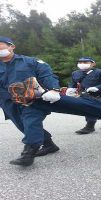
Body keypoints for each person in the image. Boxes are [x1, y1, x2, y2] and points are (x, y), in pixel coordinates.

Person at [0, 36, 60, 166]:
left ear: (12, 46)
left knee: (30, 120)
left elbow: (47, 75)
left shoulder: (30, 61)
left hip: (31, 99)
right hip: (7, 102)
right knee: (22, 125)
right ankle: (49, 145)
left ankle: (28, 153)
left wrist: (54, 89)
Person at [66, 57, 101, 134]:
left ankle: (90, 127)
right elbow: (73, 83)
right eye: (80, 62)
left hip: (100, 94)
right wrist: (70, 89)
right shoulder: (75, 73)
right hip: (85, 94)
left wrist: (97, 87)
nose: (82, 64)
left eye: (85, 62)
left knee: (91, 108)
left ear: (93, 64)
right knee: (91, 109)